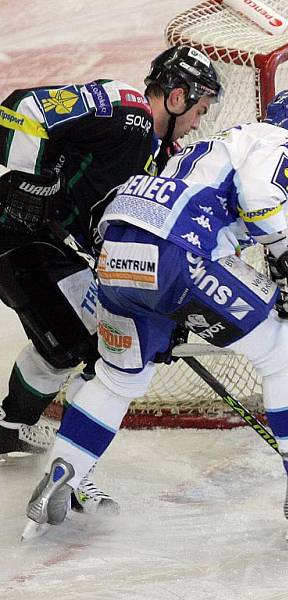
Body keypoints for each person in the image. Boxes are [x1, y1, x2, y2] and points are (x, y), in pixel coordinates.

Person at [22, 89, 288, 546]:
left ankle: (57, 484)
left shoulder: (216, 144)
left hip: (119, 257)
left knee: (118, 379)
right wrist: (284, 256)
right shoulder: (282, 141)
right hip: (179, 254)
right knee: (284, 351)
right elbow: (261, 199)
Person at [0, 45, 221, 511]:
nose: (199, 122)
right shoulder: (127, 108)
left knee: (68, 340)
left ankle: (9, 427)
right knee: (95, 346)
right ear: (177, 97)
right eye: (199, 109)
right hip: (19, 234)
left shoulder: (162, 161)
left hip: (50, 250)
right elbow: (23, 110)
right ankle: (74, 473)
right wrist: (32, 178)